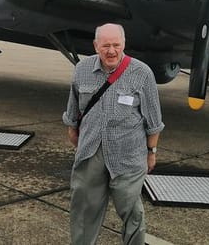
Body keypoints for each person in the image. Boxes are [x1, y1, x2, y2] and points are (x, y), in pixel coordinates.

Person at [62, 23, 164, 245]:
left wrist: (151, 152)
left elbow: (154, 122)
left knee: (132, 213)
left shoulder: (142, 73)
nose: (111, 51)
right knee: (83, 212)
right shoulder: (82, 70)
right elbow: (73, 115)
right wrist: (79, 142)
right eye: (105, 45)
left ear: (124, 44)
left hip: (128, 155)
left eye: (116, 45)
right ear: (95, 45)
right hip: (91, 154)